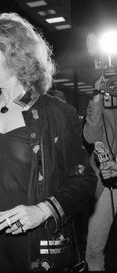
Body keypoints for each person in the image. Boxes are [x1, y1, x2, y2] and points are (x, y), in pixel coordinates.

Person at [0, 13, 96, 272]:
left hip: (39, 248)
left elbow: (83, 180)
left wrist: (42, 210)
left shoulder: (57, 114)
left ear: (15, 57)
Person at [84, 76, 117, 271]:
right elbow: (90, 136)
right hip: (107, 183)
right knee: (94, 248)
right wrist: (97, 96)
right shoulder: (99, 102)